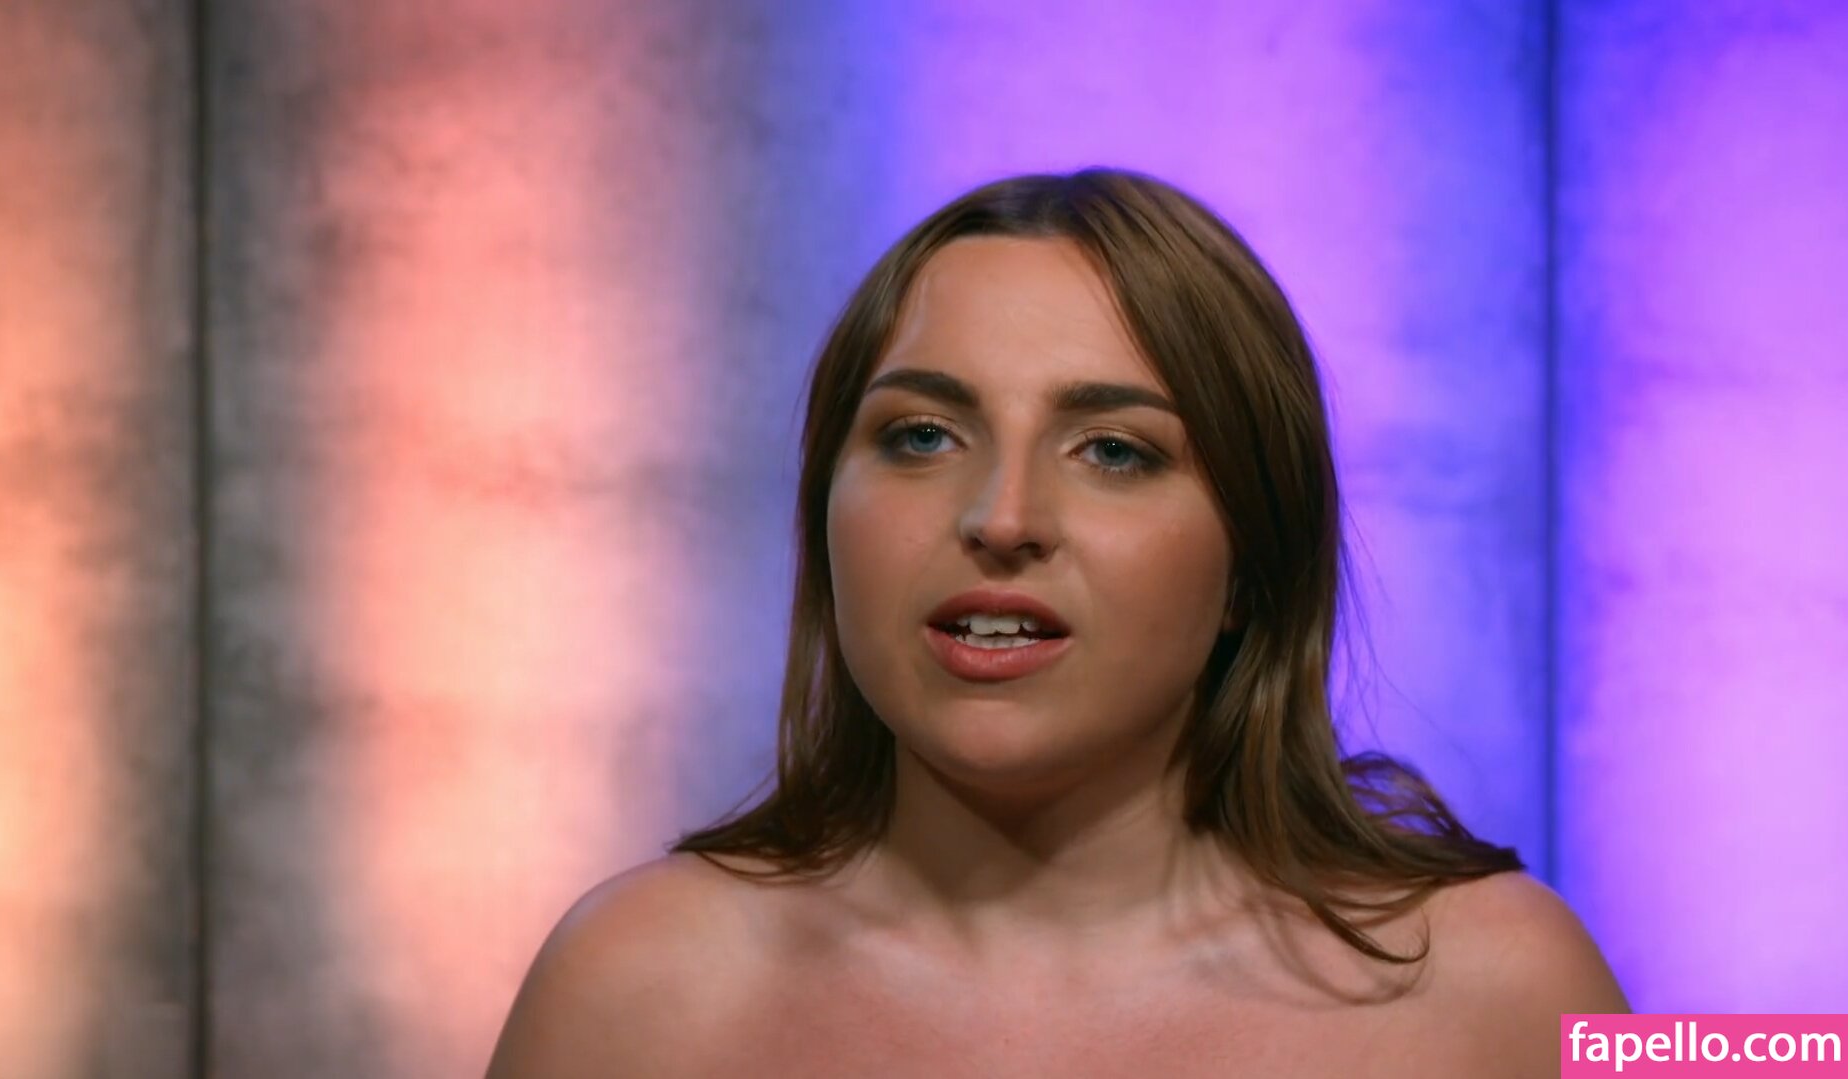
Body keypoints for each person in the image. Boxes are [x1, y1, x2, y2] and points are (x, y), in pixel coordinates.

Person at [487, 168, 1627, 1078]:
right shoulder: (626, 988)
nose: (1002, 518)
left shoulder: (1518, 987)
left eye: (1114, 451)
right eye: (922, 435)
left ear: (1253, 558)